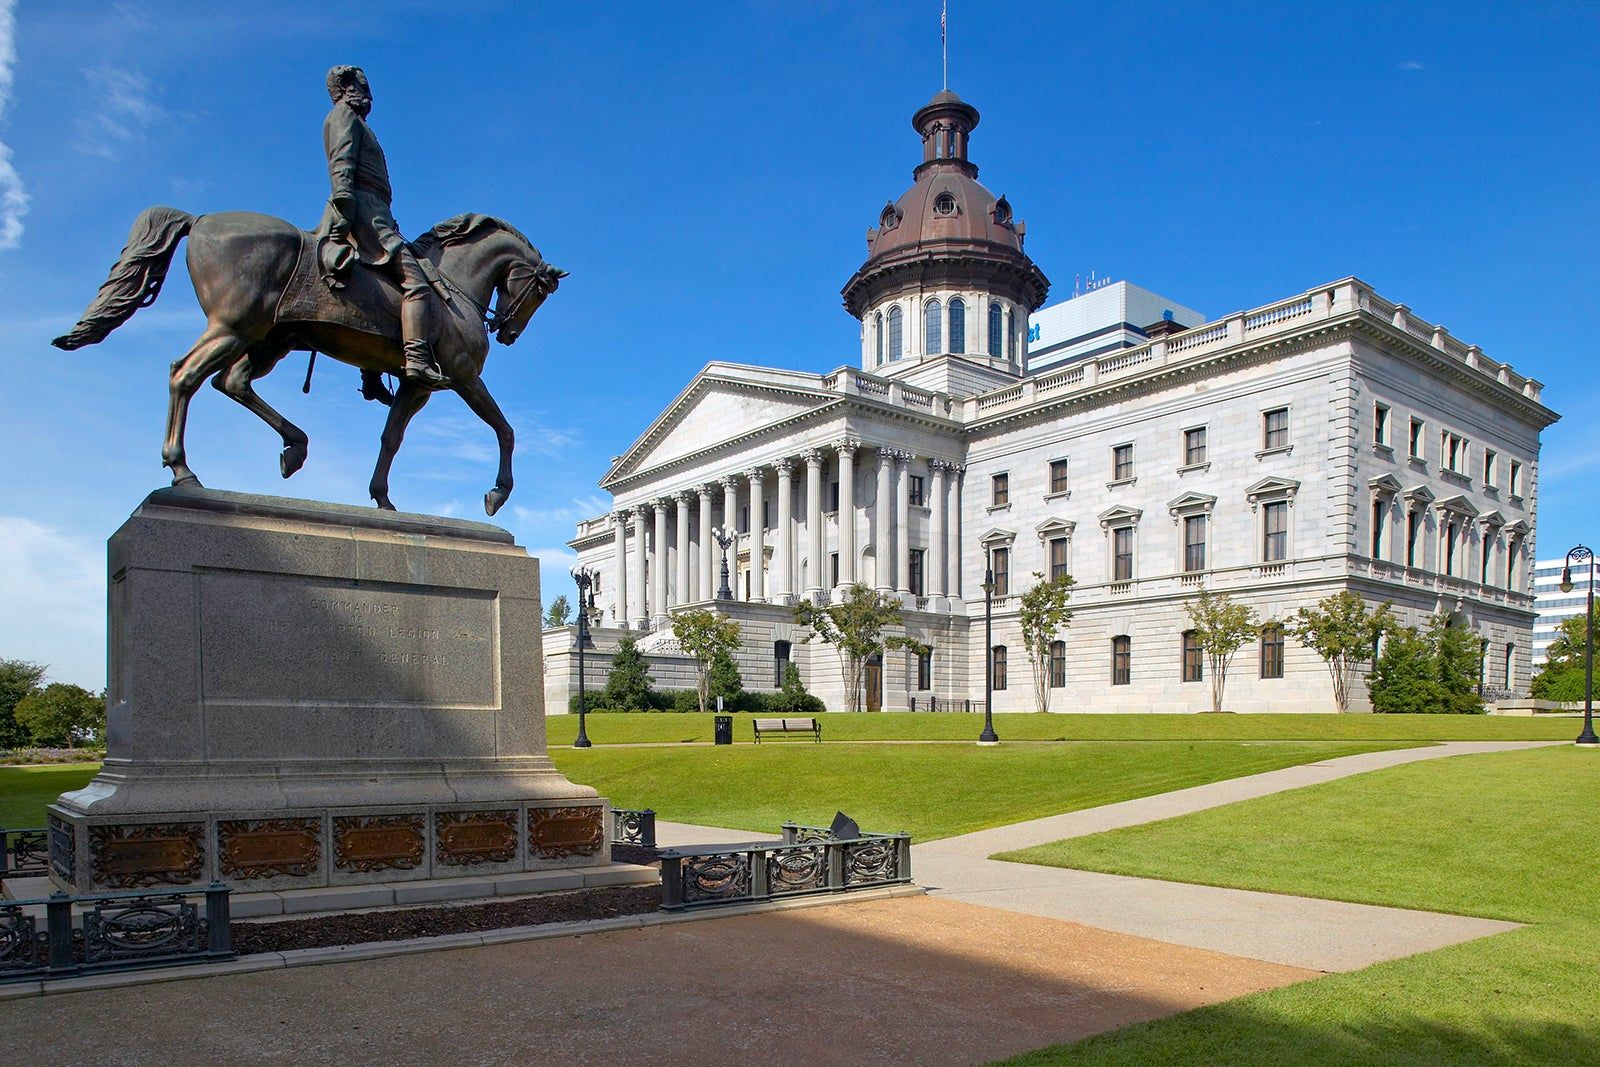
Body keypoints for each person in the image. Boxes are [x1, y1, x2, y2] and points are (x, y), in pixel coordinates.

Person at [320, 65, 448, 389]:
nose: (369, 96)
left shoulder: (357, 122)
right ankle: (418, 359)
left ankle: (372, 370)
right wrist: (346, 215)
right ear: (348, 89)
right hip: (364, 215)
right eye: (363, 88)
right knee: (416, 284)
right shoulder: (343, 117)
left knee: (378, 291)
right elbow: (342, 169)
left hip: (375, 213)